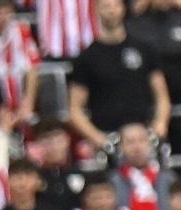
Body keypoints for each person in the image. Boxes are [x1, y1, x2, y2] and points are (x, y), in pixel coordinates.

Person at [67, 0, 168, 157]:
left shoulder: (144, 50)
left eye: (115, 5)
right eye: (106, 6)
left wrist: (160, 124)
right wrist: (98, 138)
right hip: (109, 141)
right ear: (96, 10)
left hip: (144, 138)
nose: (111, 11)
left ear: (123, 9)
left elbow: (162, 95)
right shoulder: (86, 58)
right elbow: (75, 109)